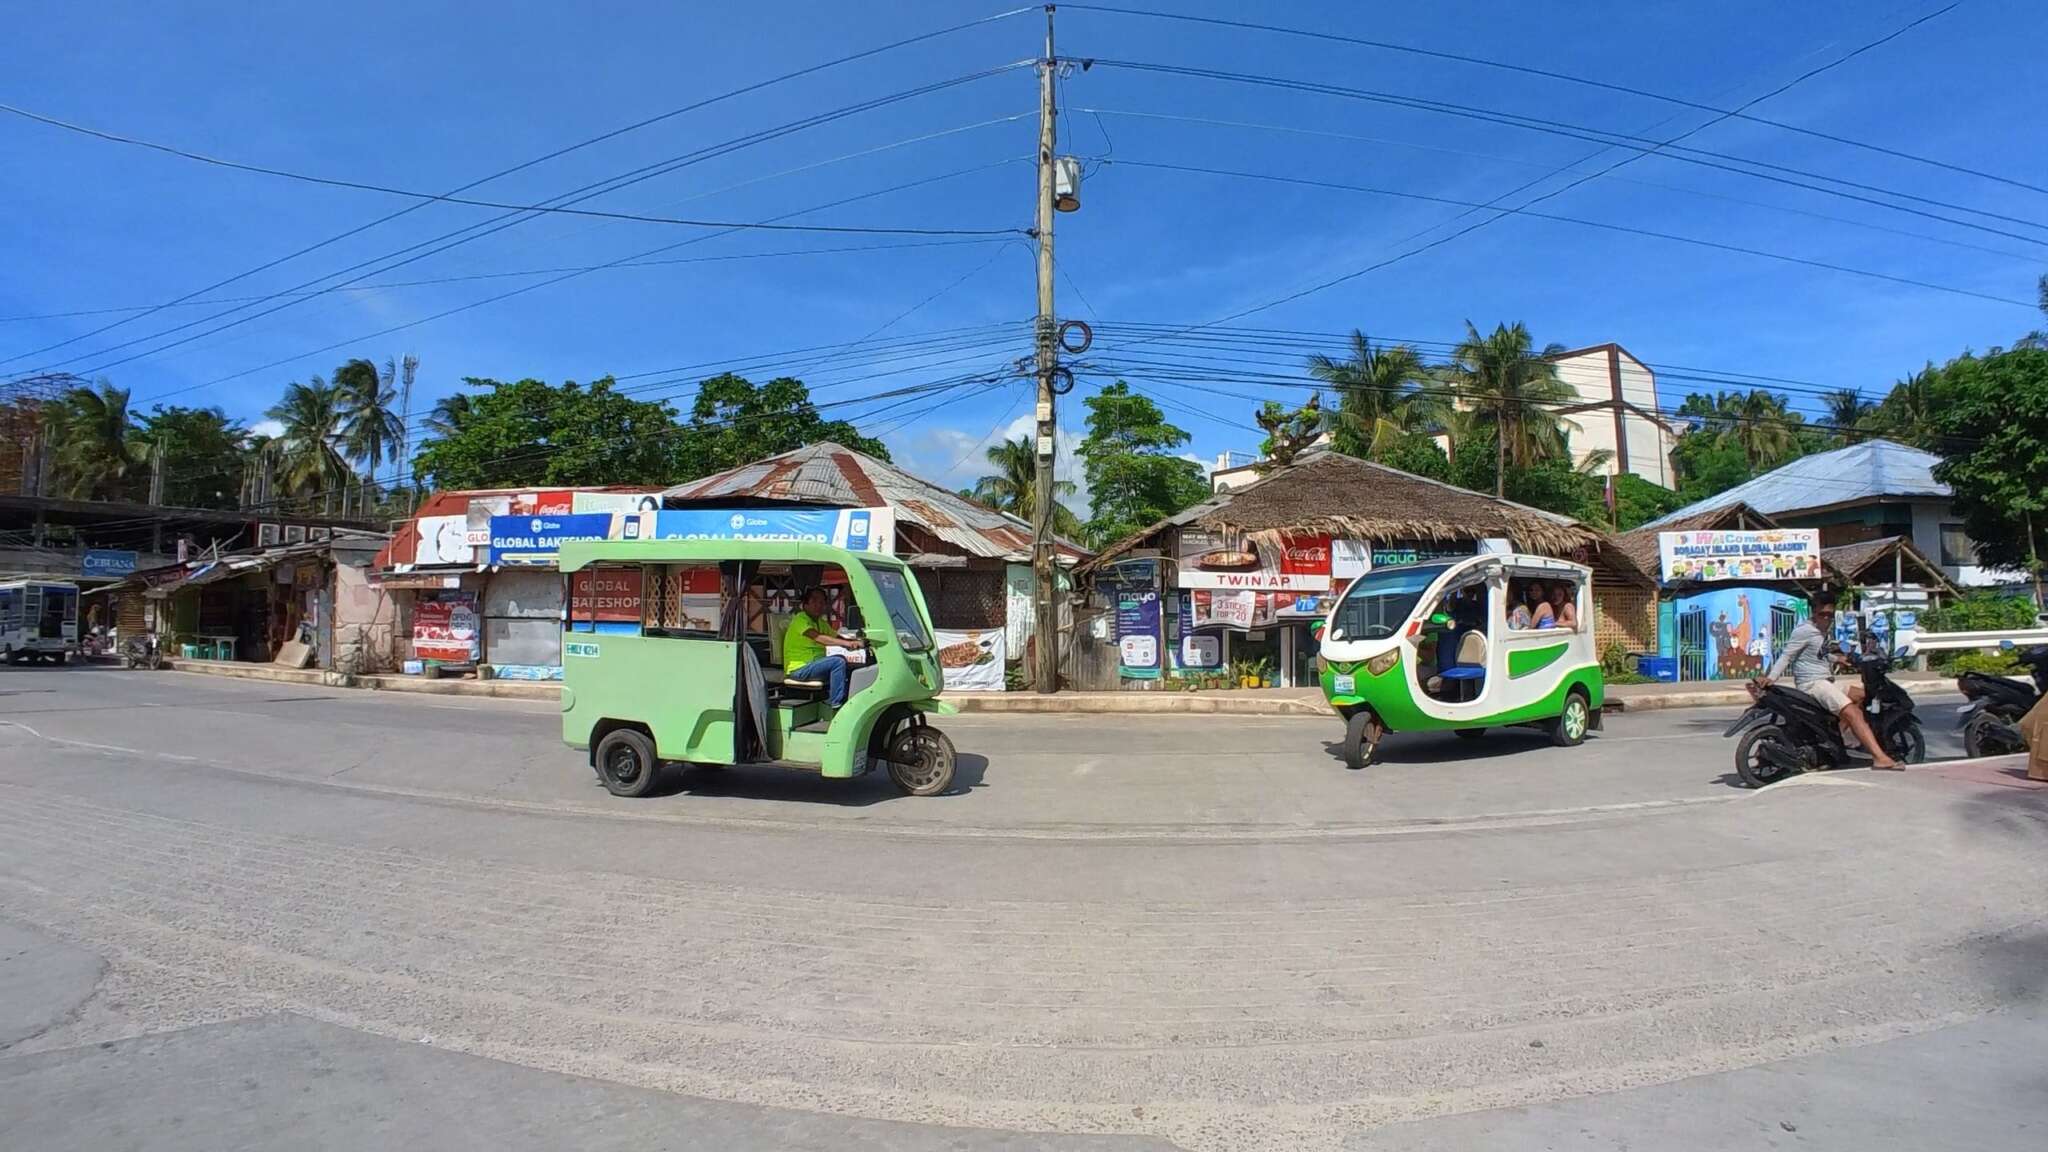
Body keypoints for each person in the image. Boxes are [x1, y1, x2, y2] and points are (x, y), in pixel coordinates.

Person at [1758, 590, 1899, 770]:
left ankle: (1835, 739)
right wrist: (1771, 677)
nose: (1826, 618)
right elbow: (1787, 656)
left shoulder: (1822, 630)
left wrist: (1838, 659)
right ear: (1813, 612)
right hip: (1813, 684)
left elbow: (1817, 653)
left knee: (1863, 696)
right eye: (1821, 614)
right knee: (1853, 713)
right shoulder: (1804, 630)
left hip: (1826, 681)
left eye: (1829, 615)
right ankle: (1880, 758)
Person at [782, 587, 863, 708]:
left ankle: (850, 700)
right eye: (814, 601)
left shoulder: (820, 622)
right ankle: (835, 703)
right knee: (838, 662)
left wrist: (855, 642)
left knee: (852, 666)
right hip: (799, 669)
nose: (818, 605)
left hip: (814, 666)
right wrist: (846, 644)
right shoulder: (800, 620)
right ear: (805, 604)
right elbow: (819, 637)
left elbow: (836, 636)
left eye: (821, 602)